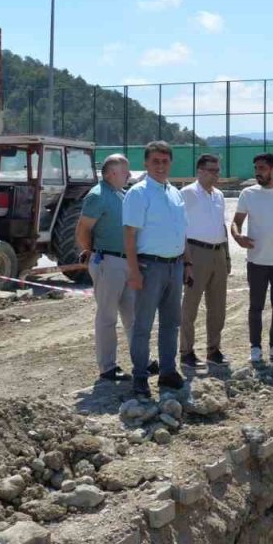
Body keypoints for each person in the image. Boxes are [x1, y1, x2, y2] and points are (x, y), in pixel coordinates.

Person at [123, 141, 192, 398]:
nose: (161, 166)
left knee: (171, 323)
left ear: (170, 163)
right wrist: (134, 271)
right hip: (149, 266)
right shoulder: (138, 193)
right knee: (143, 325)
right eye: (156, 161)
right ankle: (140, 376)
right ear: (146, 163)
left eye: (165, 161)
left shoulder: (175, 193)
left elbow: (181, 231)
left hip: (174, 266)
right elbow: (129, 235)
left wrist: (187, 263)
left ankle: (167, 371)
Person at [231, 153, 273, 365]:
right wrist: (237, 235)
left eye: (262, 168)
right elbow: (236, 222)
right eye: (256, 168)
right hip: (257, 261)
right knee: (255, 306)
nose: (258, 172)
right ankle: (255, 347)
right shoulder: (248, 194)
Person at [75, 154, 136, 382]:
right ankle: (107, 367)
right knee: (108, 317)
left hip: (125, 262)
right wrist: (92, 253)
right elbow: (82, 230)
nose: (129, 175)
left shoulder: (120, 194)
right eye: (125, 171)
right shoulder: (97, 196)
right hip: (108, 263)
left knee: (133, 316)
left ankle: (141, 360)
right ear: (112, 173)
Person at [180, 154, 229, 369]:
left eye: (218, 170)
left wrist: (226, 256)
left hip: (218, 252)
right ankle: (186, 351)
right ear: (200, 171)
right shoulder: (186, 194)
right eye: (211, 170)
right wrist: (186, 261)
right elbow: (179, 228)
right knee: (190, 305)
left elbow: (222, 226)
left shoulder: (219, 195)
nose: (216, 174)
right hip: (195, 253)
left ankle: (213, 350)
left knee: (217, 306)